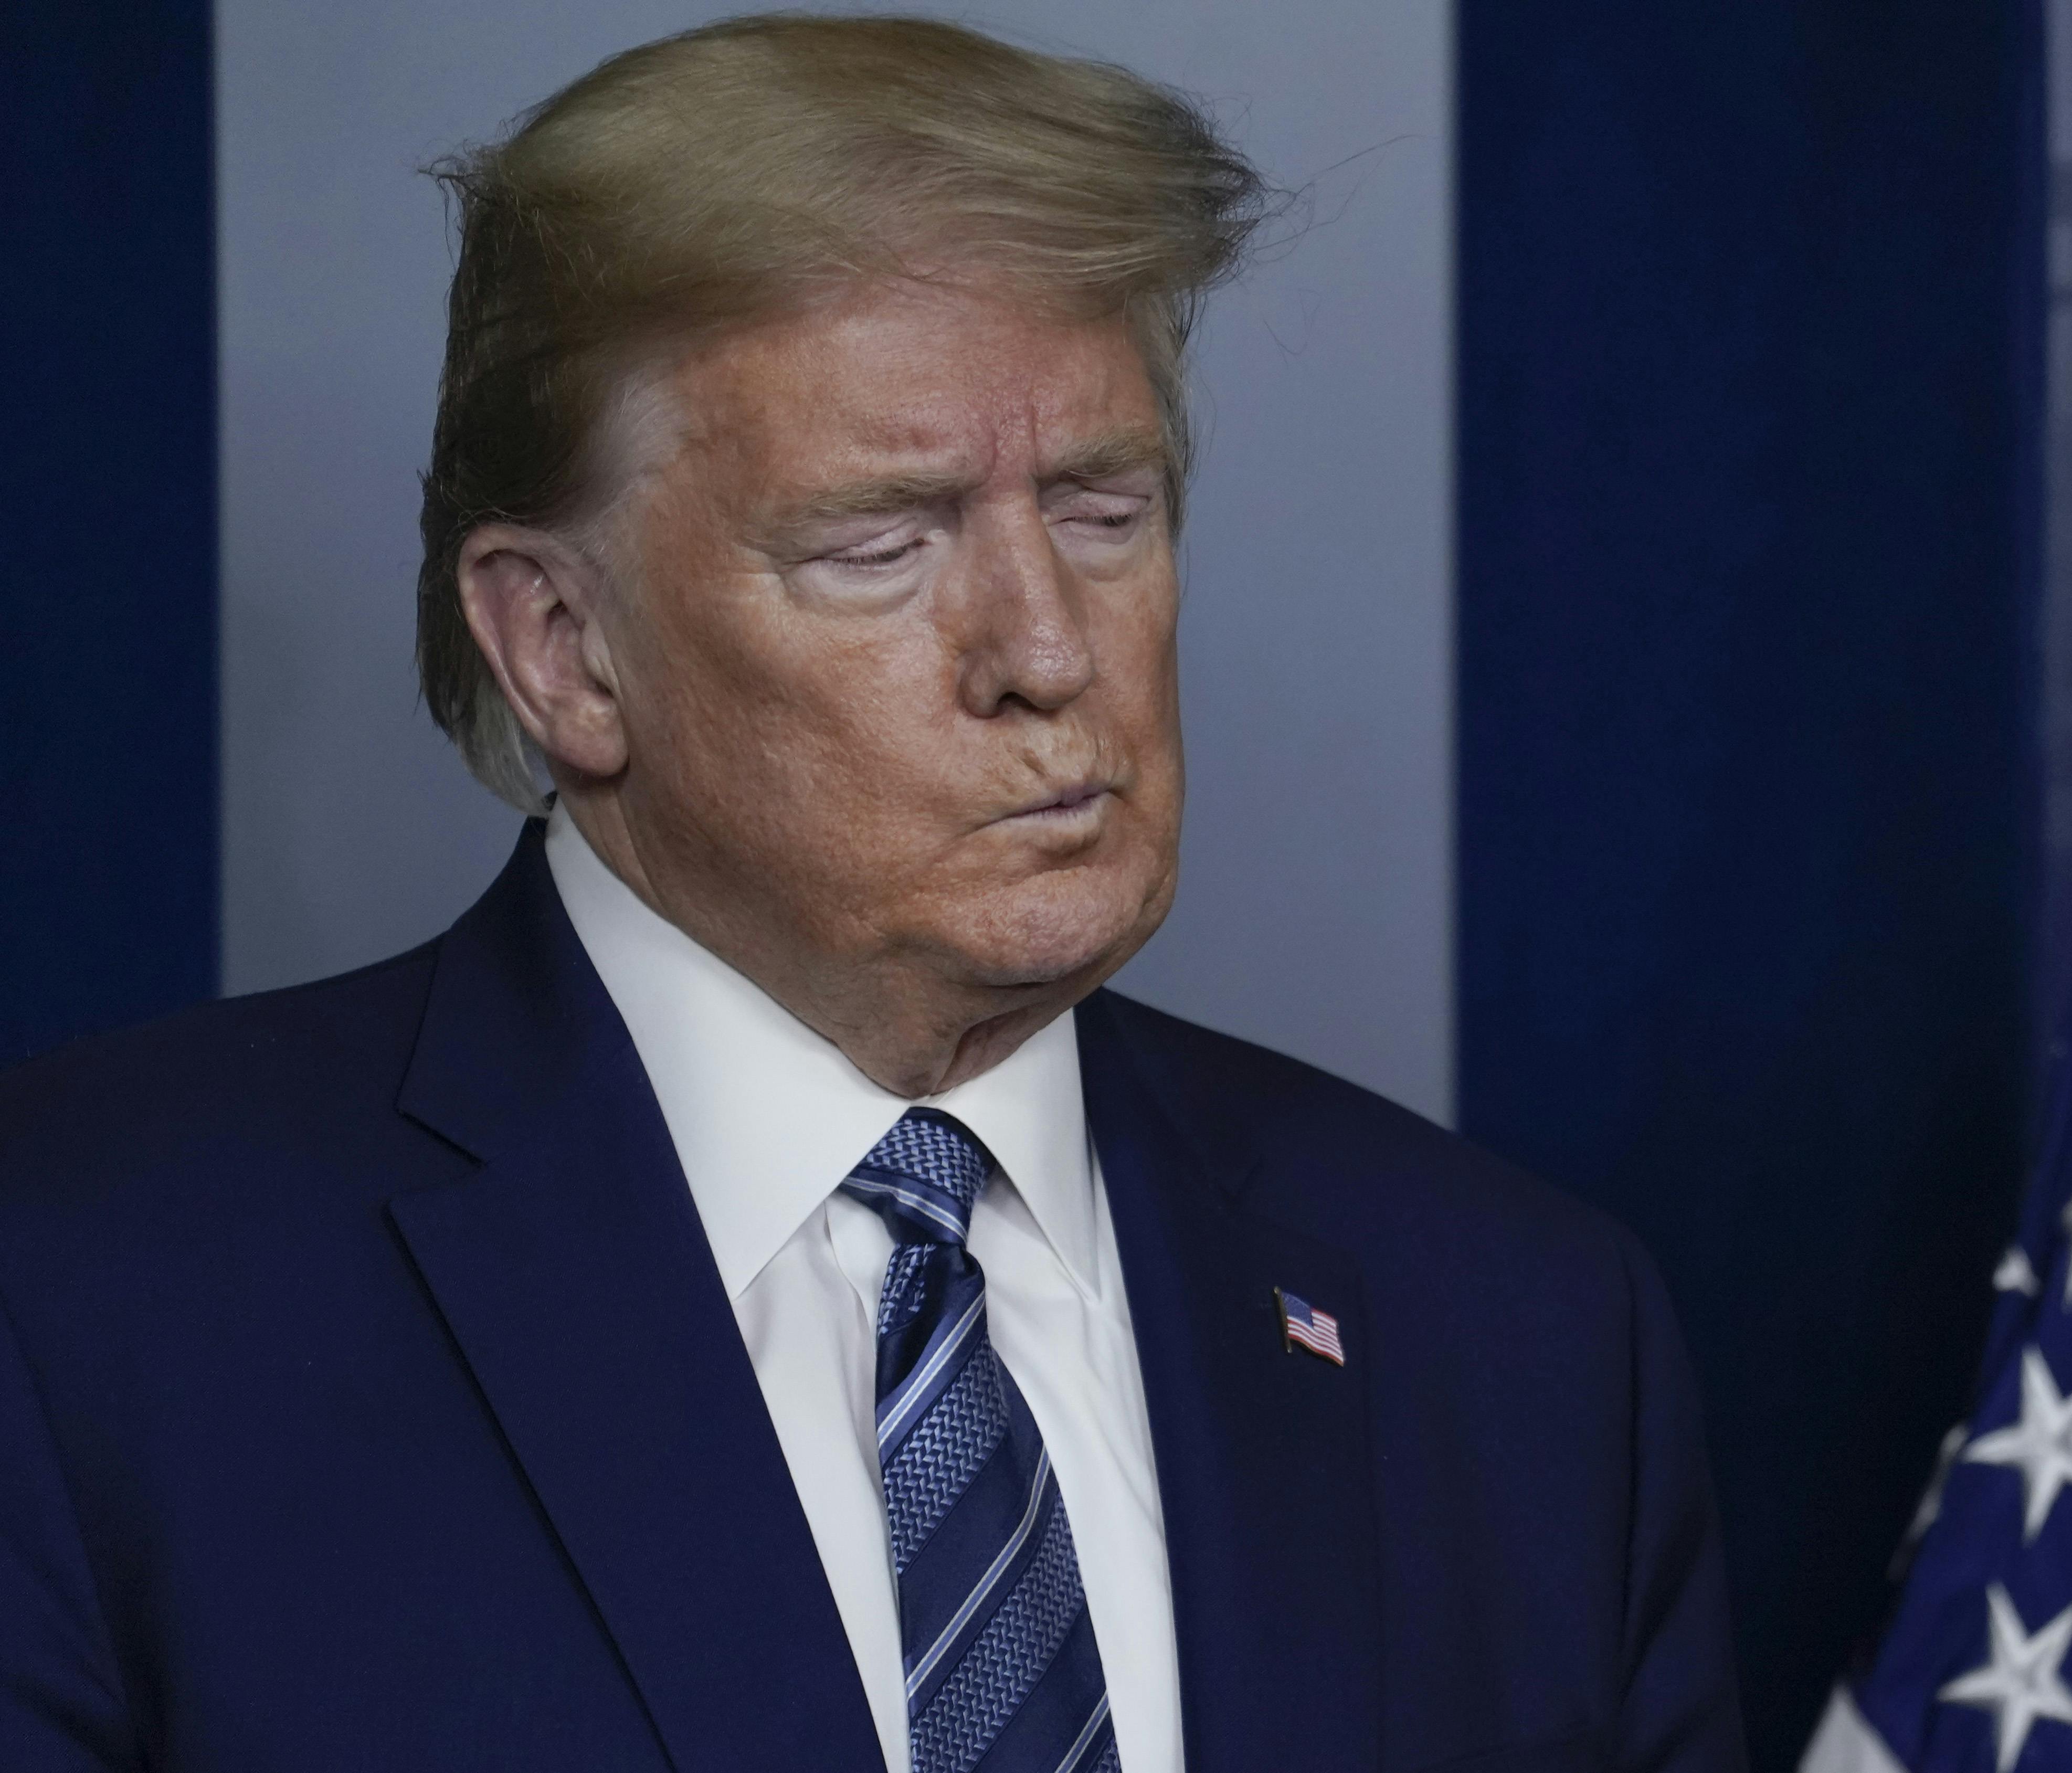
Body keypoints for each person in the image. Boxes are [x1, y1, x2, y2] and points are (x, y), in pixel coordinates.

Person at [0, 17, 1744, 1771]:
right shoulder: (88, 1301)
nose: (1047, 651)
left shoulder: (1521, 1339)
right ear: (564, 648)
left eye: (1103, 510)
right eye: (881, 544)